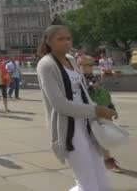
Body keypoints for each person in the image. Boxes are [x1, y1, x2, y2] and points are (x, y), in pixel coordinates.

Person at [36, 25, 117, 191]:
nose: (66, 42)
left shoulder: (71, 60)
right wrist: (96, 110)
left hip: (88, 124)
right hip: (69, 128)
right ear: (48, 41)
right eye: (60, 39)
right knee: (88, 183)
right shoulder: (46, 65)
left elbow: (82, 92)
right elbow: (60, 105)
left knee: (102, 182)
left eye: (68, 38)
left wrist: (100, 107)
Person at [78, 55, 122, 173]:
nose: (89, 67)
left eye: (91, 65)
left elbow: (104, 95)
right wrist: (91, 87)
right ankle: (100, 161)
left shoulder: (95, 77)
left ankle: (107, 160)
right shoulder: (78, 78)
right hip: (87, 113)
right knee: (91, 139)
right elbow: (79, 93)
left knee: (101, 137)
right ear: (79, 66)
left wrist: (111, 108)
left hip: (100, 111)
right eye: (86, 65)